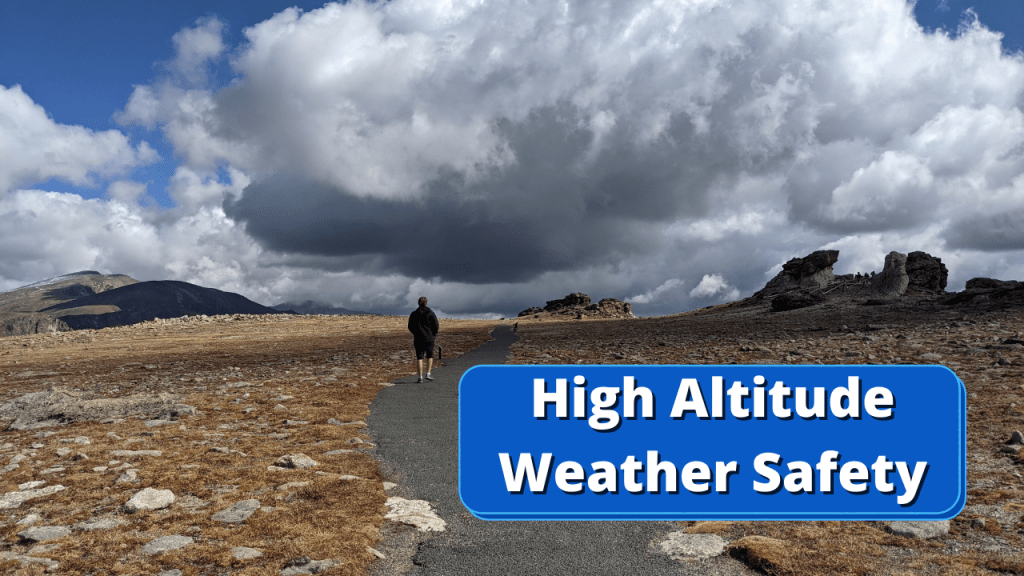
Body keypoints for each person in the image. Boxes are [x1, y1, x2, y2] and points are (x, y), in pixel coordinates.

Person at [408, 296, 439, 383]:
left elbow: (410, 326)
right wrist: (433, 335)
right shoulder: (431, 313)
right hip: (429, 338)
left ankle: (420, 377)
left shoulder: (414, 314)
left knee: (419, 357)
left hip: (418, 338)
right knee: (430, 356)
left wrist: (415, 333)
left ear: (418, 303)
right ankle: (428, 374)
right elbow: (436, 326)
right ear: (426, 303)